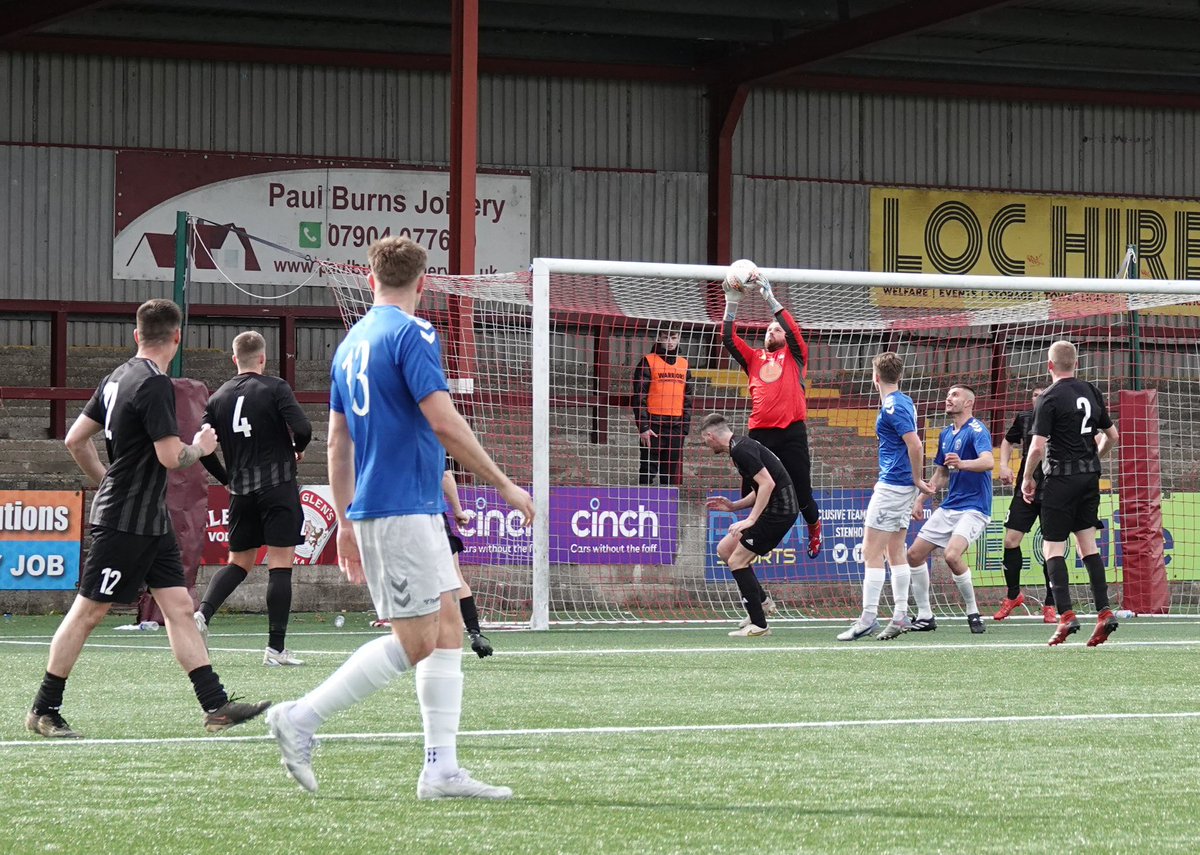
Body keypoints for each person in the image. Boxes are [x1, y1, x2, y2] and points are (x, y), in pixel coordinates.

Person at [266, 236, 534, 798]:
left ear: (370, 280)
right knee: (414, 641)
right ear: (423, 283)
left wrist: (342, 522)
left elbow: (337, 444)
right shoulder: (413, 334)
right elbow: (443, 420)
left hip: (401, 507)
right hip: (399, 508)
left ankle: (441, 770)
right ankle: (300, 717)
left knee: (449, 629)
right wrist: (506, 485)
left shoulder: (350, 343)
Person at [25, 299, 270, 739]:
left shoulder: (117, 376)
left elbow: (75, 440)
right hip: (126, 520)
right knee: (88, 612)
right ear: (177, 338)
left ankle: (216, 705)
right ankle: (44, 708)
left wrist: (106, 480)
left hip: (147, 518)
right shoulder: (156, 384)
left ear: (137, 335)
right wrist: (203, 447)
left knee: (178, 607)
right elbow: (173, 457)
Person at [193, 330, 313, 666]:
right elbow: (303, 429)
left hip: (242, 492)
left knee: (238, 563)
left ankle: (202, 614)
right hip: (277, 486)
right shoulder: (275, 387)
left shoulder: (217, 398)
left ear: (235, 359)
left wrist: (227, 480)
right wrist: (297, 450)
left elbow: (202, 447)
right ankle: (275, 650)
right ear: (263, 358)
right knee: (280, 565)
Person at [1021, 340, 1120, 647]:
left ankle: (1066, 615)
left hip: (1060, 480)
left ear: (1049, 366)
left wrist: (1027, 479)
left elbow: (1037, 448)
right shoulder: (1091, 390)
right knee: (1087, 545)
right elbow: (1112, 436)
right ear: (1076, 364)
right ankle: (1104, 611)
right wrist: (1091, 462)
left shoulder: (1048, 397)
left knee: (1053, 549)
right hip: (1089, 479)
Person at [721, 269, 822, 561]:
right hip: (759, 436)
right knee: (752, 488)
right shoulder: (753, 358)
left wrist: (770, 298)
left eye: (775, 329)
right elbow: (729, 338)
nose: (771, 331)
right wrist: (732, 301)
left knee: (802, 493)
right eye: (768, 329)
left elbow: (792, 331)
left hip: (791, 433)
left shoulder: (795, 355)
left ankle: (814, 526)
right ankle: (749, 532)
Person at [838, 353, 933, 641]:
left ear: (875, 377)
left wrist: (918, 479)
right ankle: (901, 615)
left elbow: (915, 445)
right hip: (902, 486)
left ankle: (868, 617)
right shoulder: (904, 401)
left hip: (893, 485)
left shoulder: (892, 406)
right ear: (899, 376)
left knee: (870, 552)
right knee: (895, 550)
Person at [700, 412, 799, 638]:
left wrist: (751, 519)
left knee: (737, 560)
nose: (705, 444)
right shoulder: (739, 447)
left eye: (704, 439)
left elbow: (768, 484)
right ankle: (762, 602)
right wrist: (735, 506)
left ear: (710, 435)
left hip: (779, 513)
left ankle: (759, 625)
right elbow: (759, 489)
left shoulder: (741, 450)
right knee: (725, 550)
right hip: (772, 509)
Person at [905, 385, 994, 635]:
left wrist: (963, 463)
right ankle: (925, 616)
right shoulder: (946, 434)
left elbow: (988, 461)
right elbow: (942, 473)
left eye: (955, 395)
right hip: (951, 505)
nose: (948, 398)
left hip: (975, 507)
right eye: (948, 395)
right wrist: (920, 500)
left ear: (968, 403)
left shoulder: (977, 429)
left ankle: (973, 612)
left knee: (952, 556)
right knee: (913, 555)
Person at [995, 386, 1058, 624]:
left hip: (1053, 490)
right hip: (1025, 488)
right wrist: (1003, 464)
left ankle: (1051, 604)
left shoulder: (1060, 419)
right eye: (1035, 394)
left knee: (1051, 547)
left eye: (1044, 394)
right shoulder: (1024, 418)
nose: (1038, 398)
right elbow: (1007, 441)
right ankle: (1013, 595)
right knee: (1011, 540)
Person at [442, 462, 493, 657]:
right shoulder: (430, 435)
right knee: (455, 577)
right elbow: (445, 476)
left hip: (397, 518)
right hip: (431, 517)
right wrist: (458, 510)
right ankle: (474, 633)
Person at [632, 327, 693, 486]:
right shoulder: (648, 361)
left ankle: (668, 508)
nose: (670, 342)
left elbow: (688, 398)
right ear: (659, 338)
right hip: (653, 424)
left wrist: (684, 427)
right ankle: (645, 506)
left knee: (671, 474)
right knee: (648, 469)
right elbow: (639, 396)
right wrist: (643, 426)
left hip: (676, 426)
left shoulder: (684, 364)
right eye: (666, 337)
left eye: (673, 338)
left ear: (679, 338)